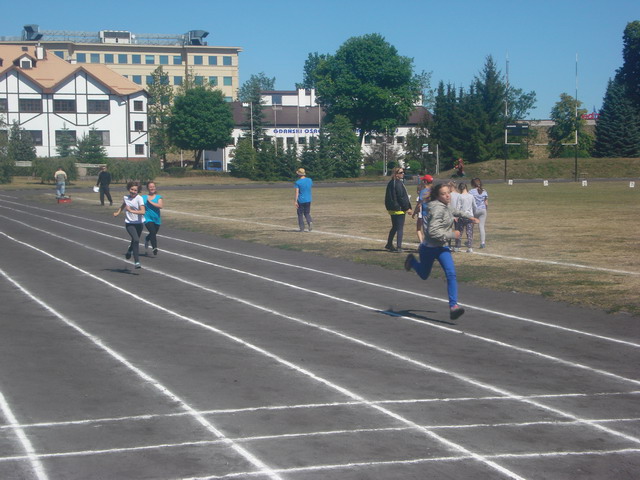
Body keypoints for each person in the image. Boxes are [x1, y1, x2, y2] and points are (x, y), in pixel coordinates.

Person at [404, 183, 479, 320]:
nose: (447, 195)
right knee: (424, 275)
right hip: (429, 248)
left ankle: (453, 306)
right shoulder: (437, 209)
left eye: (448, 193)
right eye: (443, 194)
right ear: (438, 196)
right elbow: (432, 232)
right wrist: (452, 235)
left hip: (442, 247)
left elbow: (454, 211)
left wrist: (469, 217)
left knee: (451, 274)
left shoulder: (445, 205)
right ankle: (412, 262)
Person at [113, 181, 146, 269]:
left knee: (135, 240)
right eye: (132, 189)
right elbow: (123, 205)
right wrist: (118, 212)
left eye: (135, 190)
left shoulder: (139, 198)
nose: (133, 191)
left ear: (138, 191)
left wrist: (131, 211)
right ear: (129, 189)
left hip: (139, 224)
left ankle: (129, 250)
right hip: (129, 223)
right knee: (136, 240)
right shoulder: (126, 197)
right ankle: (137, 262)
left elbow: (143, 211)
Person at [384, 167, 413, 252]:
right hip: (399, 208)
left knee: (395, 227)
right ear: (396, 174)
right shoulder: (398, 183)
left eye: (403, 172)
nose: (402, 174)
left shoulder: (390, 183)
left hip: (392, 208)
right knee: (400, 228)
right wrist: (407, 208)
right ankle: (399, 247)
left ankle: (389, 244)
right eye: (400, 172)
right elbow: (401, 197)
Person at [142, 182, 163, 256]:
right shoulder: (143, 197)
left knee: (153, 233)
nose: (152, 188)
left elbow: (160, 206)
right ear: (148, 188)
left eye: (153, 186)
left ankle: (147, 238)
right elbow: (140, 206)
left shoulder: (158, 197)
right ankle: (155, 248)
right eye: (150, 187)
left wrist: (150, 202)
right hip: (147, 218)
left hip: (156, 218)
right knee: (153, 232)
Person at [412, 174, 433, 243]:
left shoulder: (423, 191)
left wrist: (415, 212)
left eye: (423, 180)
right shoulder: (434, 190)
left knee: (426, 231)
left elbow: (419, 204)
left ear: (426, 182)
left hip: (426, 213)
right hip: (434, 213)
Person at [454, 182, 475, 253]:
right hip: (469, 216)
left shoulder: (460, 196)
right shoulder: (471, 196)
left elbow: (458, 207)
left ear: (460, 189)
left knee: (459, 231)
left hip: (462, 216)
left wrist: (456, 216)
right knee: (469, 232)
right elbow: (474, 206)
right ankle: (470, 247)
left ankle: (457, 246)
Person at [469, 177, 489, 249]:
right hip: (483, 210)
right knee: (481, 227)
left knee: (471, 227)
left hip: (475, 210)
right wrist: (485, 210)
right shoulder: (484, 191)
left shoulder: (471, 191)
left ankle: (470, 241)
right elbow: (486, 203)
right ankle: (483, 243)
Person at [294, 168, 313, 232]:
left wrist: (295, 201)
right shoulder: (309, 180)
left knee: (300, 214)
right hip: (308, 199)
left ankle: (302, 228)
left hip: (301, 200)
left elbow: (297, 192)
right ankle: (309, 221)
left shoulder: (298, 182)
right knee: (307, 213)